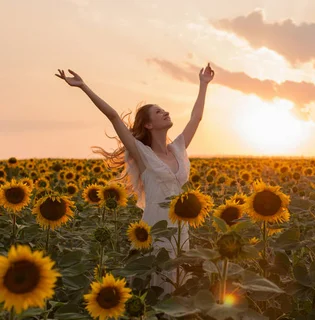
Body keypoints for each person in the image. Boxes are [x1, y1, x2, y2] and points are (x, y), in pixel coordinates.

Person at [55, 64, 215, 294]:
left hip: (181, 228)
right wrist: (83, 87)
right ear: (148, 124)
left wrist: (203, 83)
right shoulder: (142, 153)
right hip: (156, 228)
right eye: (159, 112)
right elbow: (113, 116)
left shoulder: (178, 148)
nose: (166, 112)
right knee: (154, 283)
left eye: (164, 110)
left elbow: (196, 118)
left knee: (178, 282)